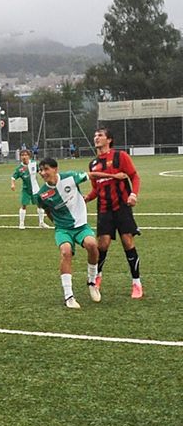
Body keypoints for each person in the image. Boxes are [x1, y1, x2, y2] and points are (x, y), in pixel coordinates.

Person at [35, 157, 127, 309]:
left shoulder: (70, 177)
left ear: (55, 169)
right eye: (41, 170)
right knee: (66, 252)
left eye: (46, 169)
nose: (43, 172)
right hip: (63, 229)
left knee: (92, 245)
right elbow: (47, 210)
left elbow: (92, 175)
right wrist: (57, 224)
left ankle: (92, 282)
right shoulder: (42, 194)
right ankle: (69, 296)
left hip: (80, 226)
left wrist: (114, 176)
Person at [85, 127, 144, 298]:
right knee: (102, 244)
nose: (96, 138)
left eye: (100, 135)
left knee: (127, 242)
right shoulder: (93, 164)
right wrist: (86, 198)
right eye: (95, 135)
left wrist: (133, 194)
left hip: (122, 207)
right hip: (104, 208)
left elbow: (134, 176)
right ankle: (97, 277)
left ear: (109, 139)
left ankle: (136, 283)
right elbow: (96, 189)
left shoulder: (120, 156)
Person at [10, 148, 50, 229]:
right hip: (26, 190)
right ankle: (21, 223)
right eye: (22, 155)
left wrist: (44, 175)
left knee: (40, 205)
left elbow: (40, 171)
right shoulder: (19, 168)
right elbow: (13, 177)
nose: (24, 157)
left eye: (25, 155)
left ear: (29, 156)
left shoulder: (34, 164)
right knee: (23, 205)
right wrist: (12, 185)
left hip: (36, 189)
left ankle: (41, 222)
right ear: (20, 157)